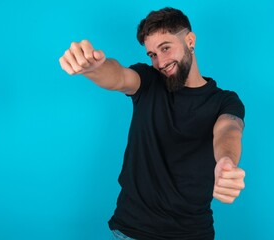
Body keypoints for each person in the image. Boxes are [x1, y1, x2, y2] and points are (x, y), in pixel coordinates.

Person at [59, 7, 246, 240]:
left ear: (190, 41)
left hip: (193, 233)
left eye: (165, 48)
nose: (160, 62)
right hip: (132, 231)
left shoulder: (224, 101)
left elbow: (229, 130)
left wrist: (227, 162)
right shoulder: (148, 82)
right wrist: (94, 68)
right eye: (152, 55)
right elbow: (117, 76)